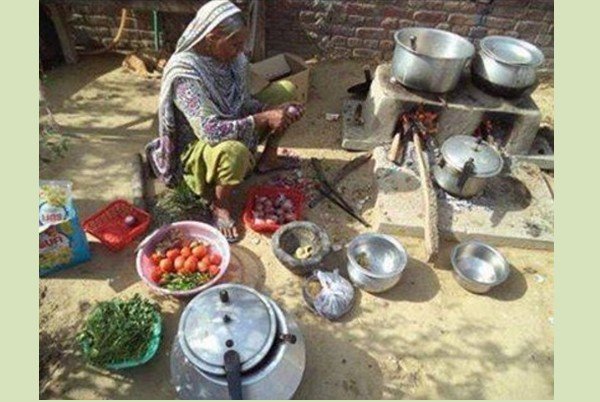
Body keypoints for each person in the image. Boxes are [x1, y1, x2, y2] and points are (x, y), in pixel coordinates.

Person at [148, 0, 304, 242]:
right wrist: (263, 118)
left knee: (285, 91)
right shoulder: (185, 76)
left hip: (230, 123)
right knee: (234, 152)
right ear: (211, 37)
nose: (240, 51)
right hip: (197, 147)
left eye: (242, 43)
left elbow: (242, 104)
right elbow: (210, 132)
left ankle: (267, 159)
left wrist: (271, 111)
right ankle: (220, 204)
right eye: (235, 44)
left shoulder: (234, 61)